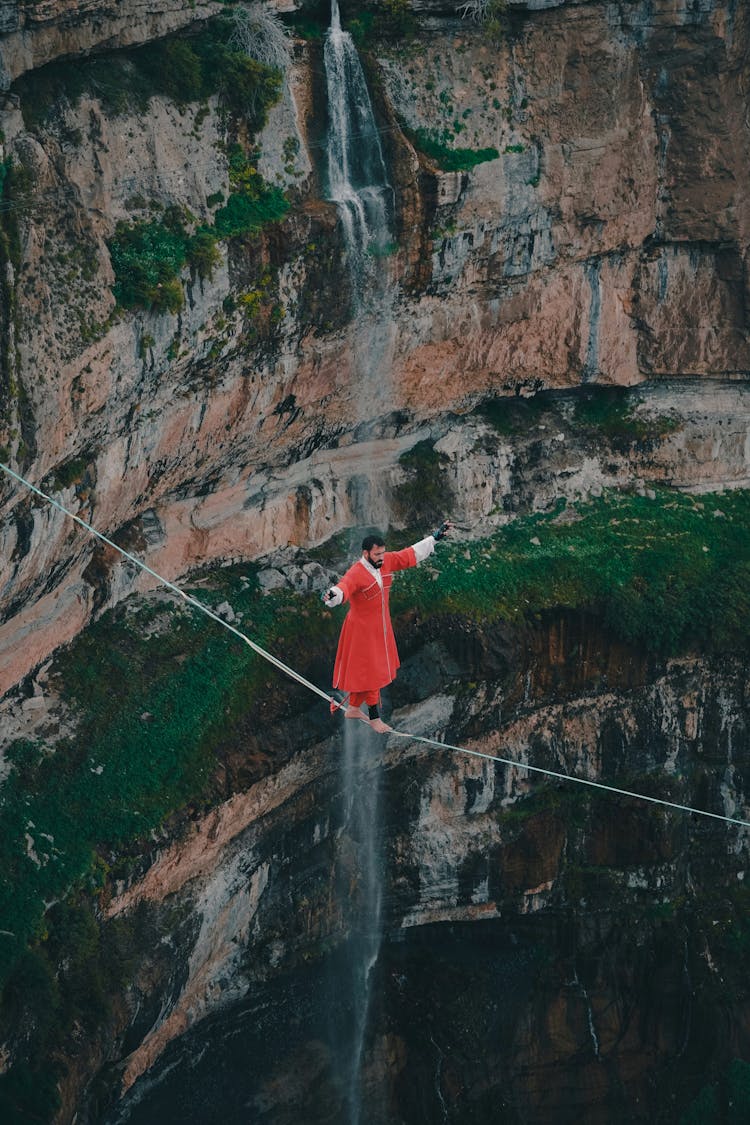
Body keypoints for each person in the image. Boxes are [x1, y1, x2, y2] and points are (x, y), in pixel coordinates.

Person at [322, 521, 452, 732]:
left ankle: (353, 707)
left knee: (369, 671)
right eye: (377, 554)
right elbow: (343, 588)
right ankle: (374, 719)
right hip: (361, 631)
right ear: (365, 554)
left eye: (383, 553)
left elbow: (410, 554)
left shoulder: (386, 561)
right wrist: (332, 595)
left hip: (379, 628)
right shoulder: (356, 573)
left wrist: (435, 537)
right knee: (373, 673)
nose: (382, 558)